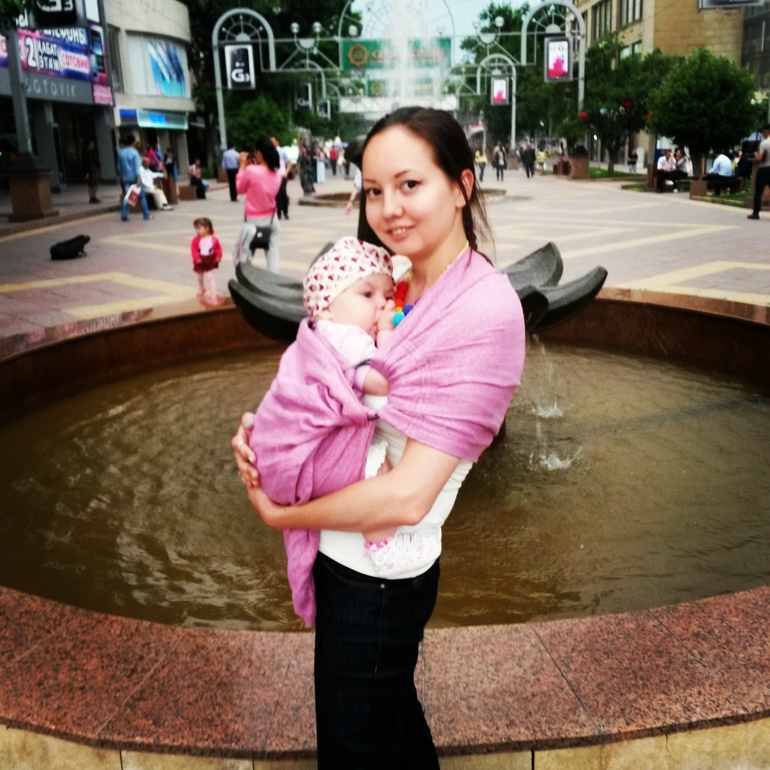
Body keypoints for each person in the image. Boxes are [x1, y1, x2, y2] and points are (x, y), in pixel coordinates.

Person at [232, 106, 526, 768]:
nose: (388, 208)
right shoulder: (395, 282)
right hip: (356, 563)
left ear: (463, 185)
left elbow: (408, 496)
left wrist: (281, 513)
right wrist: (274, 433)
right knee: (391, 729)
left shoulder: (483, 311)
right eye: (372, 190)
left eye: (409, 185)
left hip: (376, 580)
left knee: (354, 751)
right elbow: (331, 385)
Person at [235, 136, 282, 271]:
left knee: (245, 256)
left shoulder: (251, 171)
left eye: (255, 152)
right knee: (273, 255)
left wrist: (242, 166)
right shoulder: (277, 174)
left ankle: (245, 279)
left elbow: (239, 189)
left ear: (259, 153)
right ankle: (274, 281)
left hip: (252, 221)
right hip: (272, 219)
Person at [116, 134, 151, 222]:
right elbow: (136, 167)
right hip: (134, 178)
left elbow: (119, 167)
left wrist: (122, 174)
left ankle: (124, 215)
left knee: (127, 196)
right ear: (133, 142)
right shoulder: (135, 153)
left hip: (125, 178)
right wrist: (138, 178)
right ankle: (146, 214)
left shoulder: (121, 153)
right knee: (142, 197)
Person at [190, 216, 222, 302]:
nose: (197, 231)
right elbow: (194, 250)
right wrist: (196, 258)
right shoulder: (195, 240)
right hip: (199, 260)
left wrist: (218, 256)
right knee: (199, 276)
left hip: (209, 259)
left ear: (207, 228)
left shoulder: (214, 239)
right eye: (196, 229)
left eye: (199, 228)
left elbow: (218, 248)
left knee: (210, 276)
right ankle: (201, 288)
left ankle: (214, 293)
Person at [748, 123, 770, 220]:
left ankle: (756, 213)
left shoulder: (764, 143)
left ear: (766, 131)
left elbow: (760, 158)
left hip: (764, 169)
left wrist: (756, 155)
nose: (762, 133)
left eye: (763, 132)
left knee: (758, 191)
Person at [272, 137, 291, 220]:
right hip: (273, 175)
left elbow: (289, 162)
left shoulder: (282, 151)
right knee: (276, 194)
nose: (272, 143)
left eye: (273, 141)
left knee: (283, 193)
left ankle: (285, 211)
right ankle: (278, 212)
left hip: (282, 175)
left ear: (277, 142)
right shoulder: (269, 152)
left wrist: (286, 172)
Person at [82, 139, 100, 203]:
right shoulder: (88, 153)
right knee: (92, 184)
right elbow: (86, 163)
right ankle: (92, 197)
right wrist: (86, 172)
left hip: (92, 169)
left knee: (93, 184)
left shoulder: (90, 152)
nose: (93, 145)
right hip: (91, 170)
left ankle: (93, 197)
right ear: (89, 145)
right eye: (92, 144)